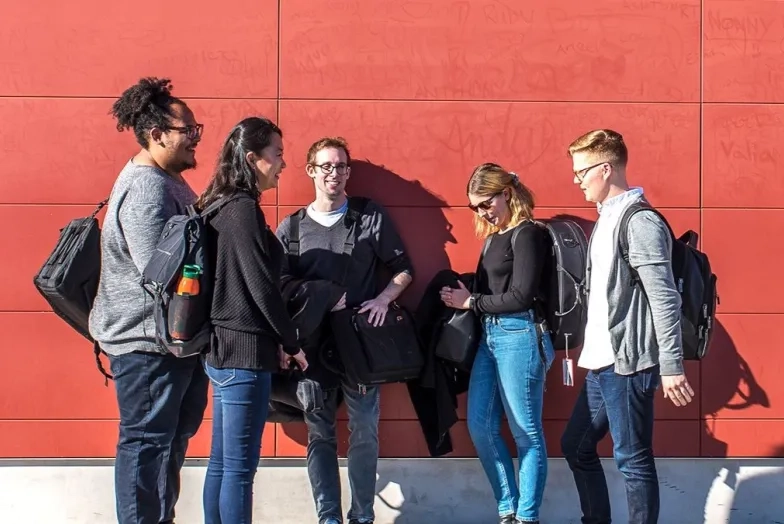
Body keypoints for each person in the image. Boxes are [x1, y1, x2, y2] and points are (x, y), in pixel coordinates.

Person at [88, 77, 209, 524]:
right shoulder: (146, 188)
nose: (196, 139)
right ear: (157, 135)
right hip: (146, 344)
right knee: (146, 443)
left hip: (170, 343)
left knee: (168, 440)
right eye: (189, 131)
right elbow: (161, 274)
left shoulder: (167, 180)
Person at [276, 136, 414, 524]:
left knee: (365, 433)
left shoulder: (370, 216)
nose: (334, 174)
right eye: (326, 166)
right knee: (319, 434)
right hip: (311, 351)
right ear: (311, 171)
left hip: (360, 349)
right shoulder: (292, 228)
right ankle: (329, 517)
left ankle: (362, 516)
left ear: (349, 172)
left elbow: (405, 269)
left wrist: (384, 299)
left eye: (341, 166)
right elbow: (276, 285)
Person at [560, 129, 695, 524]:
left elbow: (665, 297)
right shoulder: (607, 218)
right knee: (576, 446)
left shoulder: (640, 221)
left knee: (632, 460)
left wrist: (670, 366)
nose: (576, 181)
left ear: (606, 168)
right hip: (602, 364)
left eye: (582, 172)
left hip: (629, 364)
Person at [196, 116, 308, 524]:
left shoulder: (221, 205)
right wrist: (292, 343)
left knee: (223, 465)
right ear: (251, 158)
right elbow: (262, 288)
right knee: (238, 471)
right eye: (277, 154)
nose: (282, 163)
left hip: (224, 352)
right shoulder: (241, 210)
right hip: (242, 354)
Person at [440, 162, 554, 524]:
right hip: (490, 339)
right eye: (475, 207)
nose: (482, 213)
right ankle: (508, 507)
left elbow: (521, 295)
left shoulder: (529, 234)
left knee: (527, 433)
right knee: (479, 426)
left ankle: (526, 516)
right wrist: (464, 295)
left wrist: (470, 302)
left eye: (486, 203)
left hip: (520, 335)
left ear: (507, 192)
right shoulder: (492, 238)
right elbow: (493, 291)